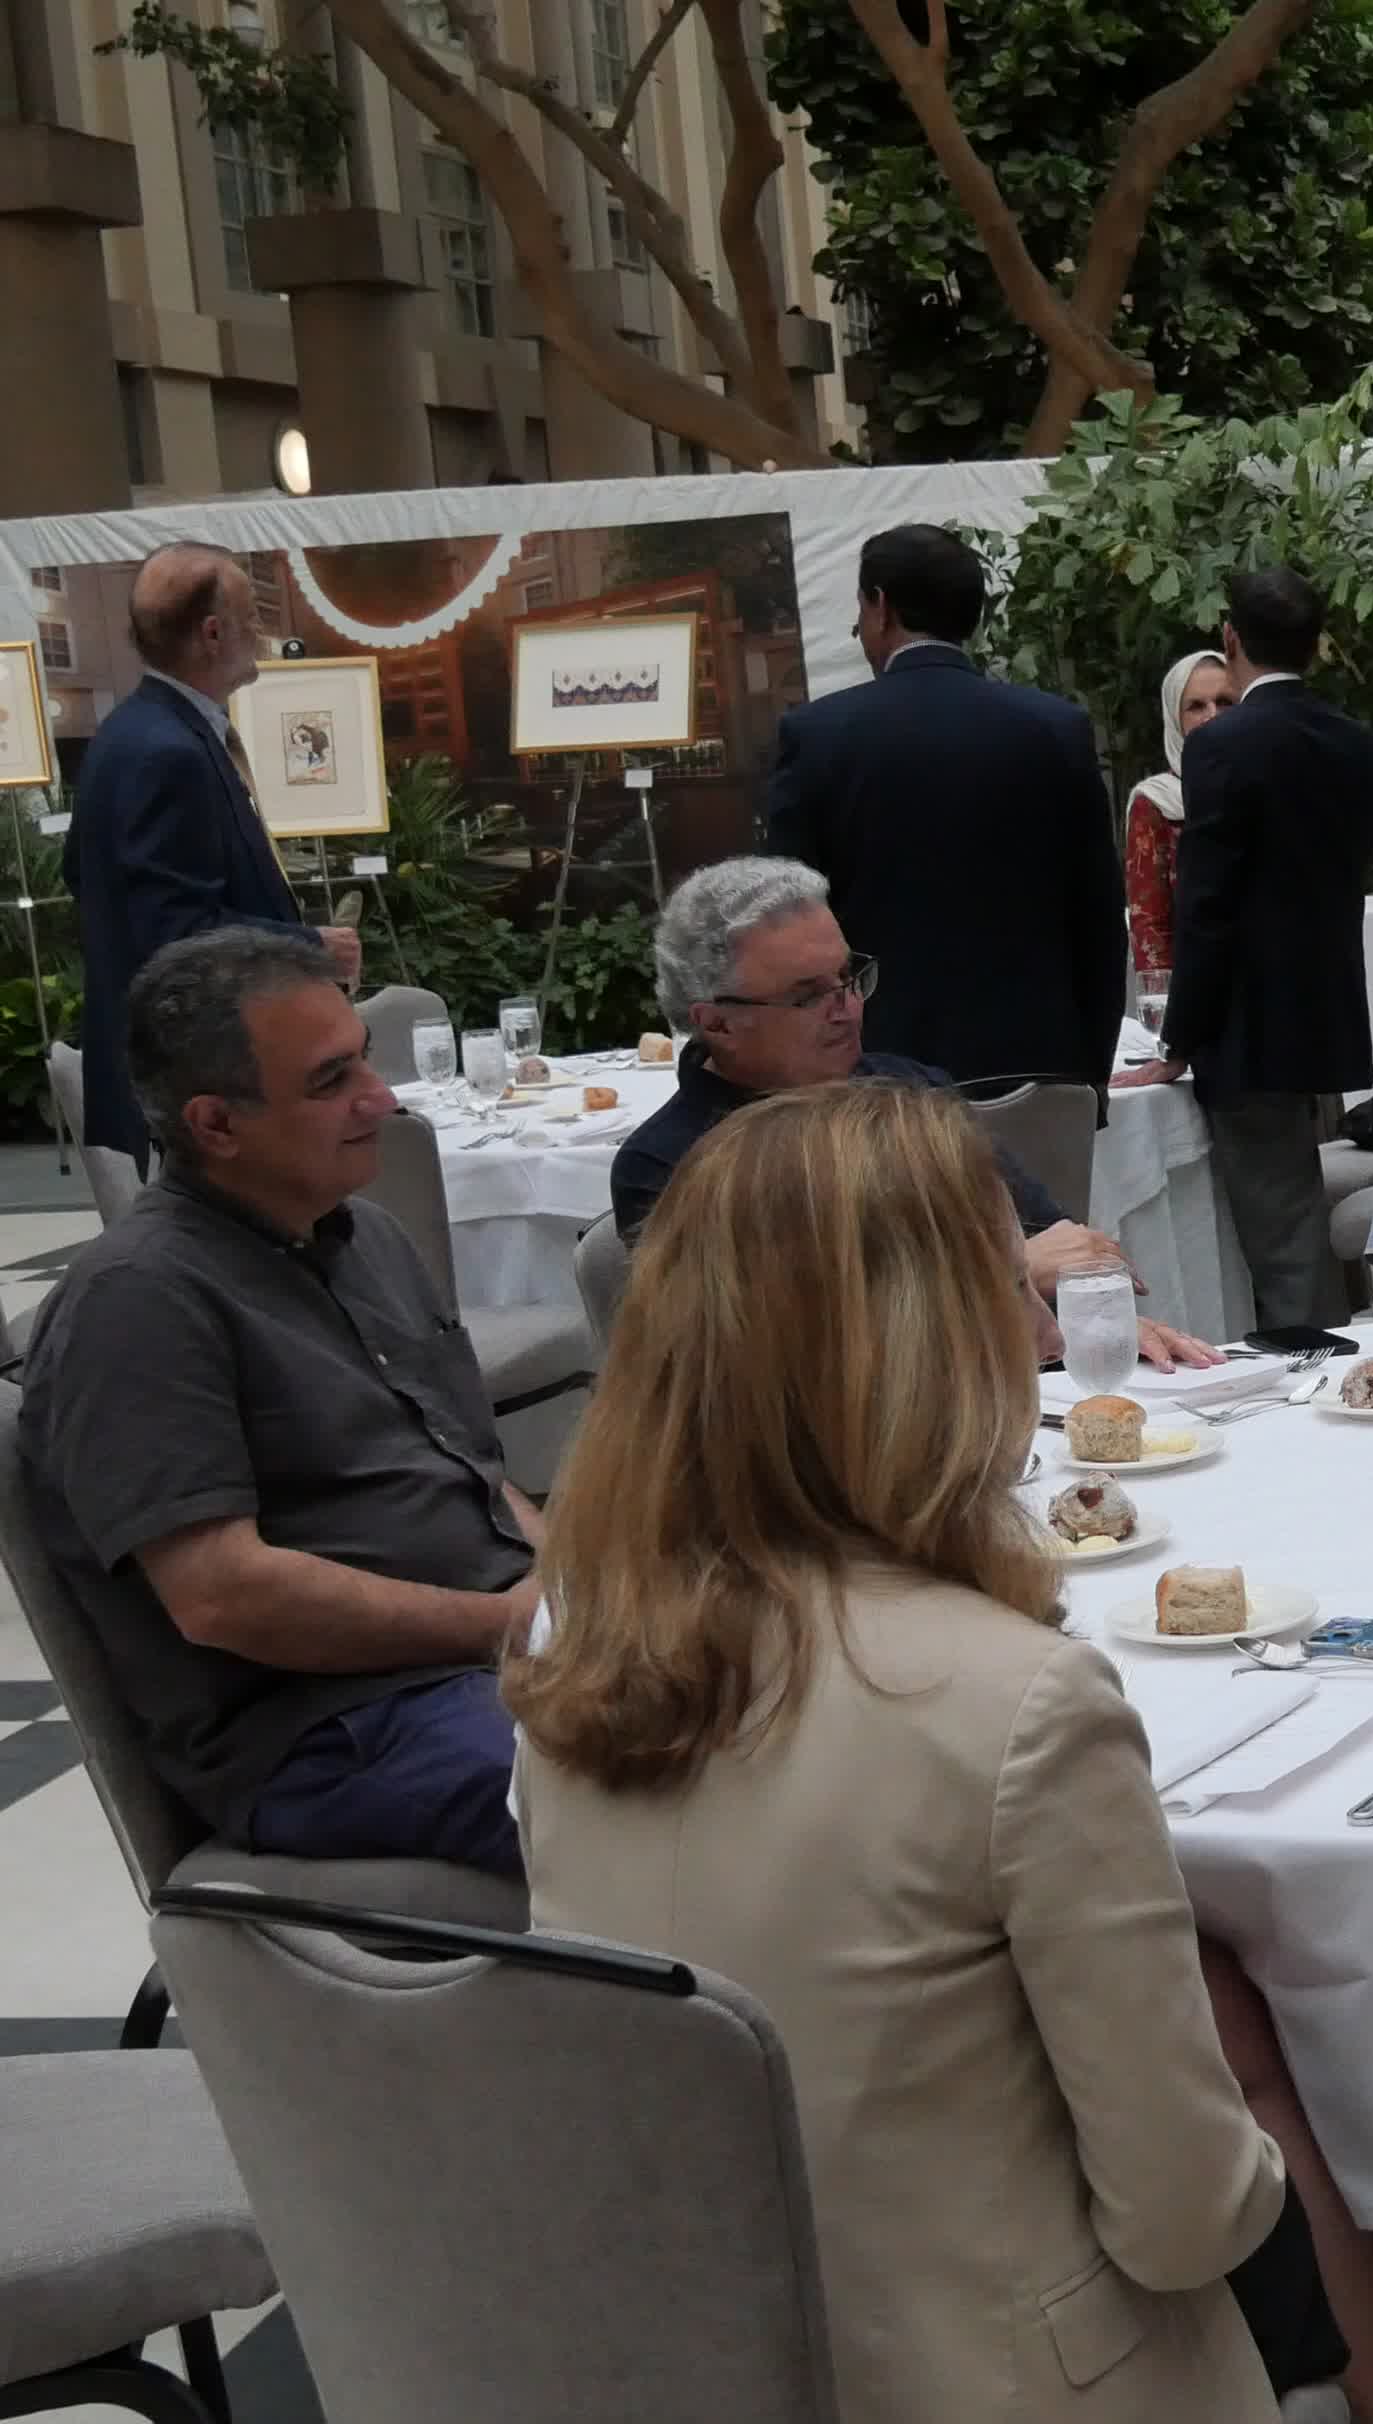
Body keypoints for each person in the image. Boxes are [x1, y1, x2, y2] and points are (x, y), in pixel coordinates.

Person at [511, 1082, 1373, 2424]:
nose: (1036, 1332)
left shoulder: (571, 1648)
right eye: (1008, 1293)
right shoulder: (1014, 1709)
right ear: (927, 1348)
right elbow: (1187, 2225)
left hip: (702, 2390)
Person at [18, 929, 532, 1875]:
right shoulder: (138, 1300)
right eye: (333, 1081)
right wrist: (512, 1625)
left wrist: (591, 1591)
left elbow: (475, 1480)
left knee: (803, 1705)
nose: (381, 1100)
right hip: (328, 1730)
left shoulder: (361, 1234)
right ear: (216, 1124)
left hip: (471, 1664)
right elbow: (222, 1596)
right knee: (688, 1786)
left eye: (364, 1062)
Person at [612, 858, 1218, 1371]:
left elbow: (1058, 1245)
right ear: (715, 1023)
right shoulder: (669, 1163)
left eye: (847, 977)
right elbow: (778, 1360)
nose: (845, 1008)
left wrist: (1106, 1330)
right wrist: (1000, 1279)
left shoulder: (908, 1089)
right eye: (807, 995)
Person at [764, 522, 1126, 1088]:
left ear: (880, 607)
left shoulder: (820, 735)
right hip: (1038, 1067)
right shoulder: (1057, 729)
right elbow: (1098, 920)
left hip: (879, 1072)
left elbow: (786, 917)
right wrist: (1090, 1077)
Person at [1121, 568, 1373, 1332]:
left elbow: (1209, 906)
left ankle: (1311, 1374)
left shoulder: (1222, 747)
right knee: (1300, 1218)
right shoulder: (1354, 741)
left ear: (1231, 639)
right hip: (1327, 1010)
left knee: (1280, 1237)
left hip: (1249, 1025)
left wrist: (1180, 1039)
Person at [63, 541, 361, 1162]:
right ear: (212, 633)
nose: (262, 632)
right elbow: (175, 928)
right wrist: (308, 949)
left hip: (179, 1075)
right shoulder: (168, 750)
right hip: (203, 1090)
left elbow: (82, 877)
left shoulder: (130, 731)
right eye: (253, 616)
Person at [1123, 648, 1235, 981]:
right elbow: (1150, 924)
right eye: (1196, 706)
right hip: (1194, 991)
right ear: (1175, 718)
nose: (1213, 715)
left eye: (1226, 702)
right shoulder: (1157, 801)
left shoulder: (1265, 783)